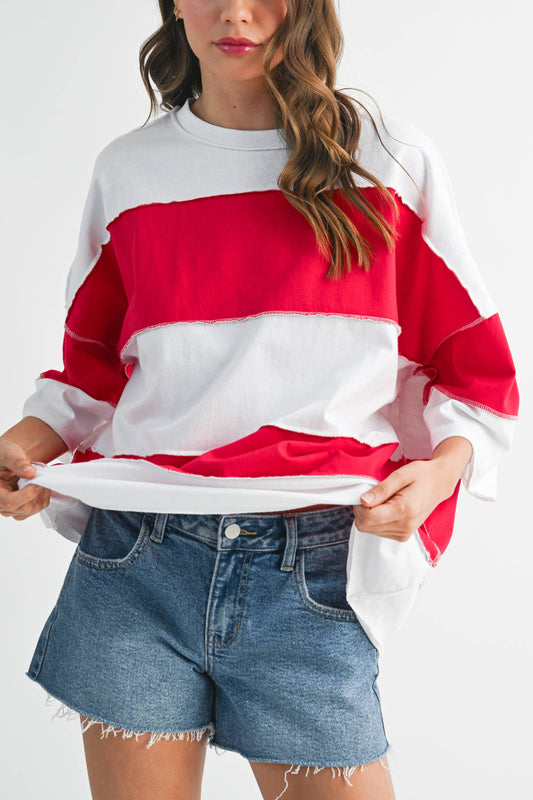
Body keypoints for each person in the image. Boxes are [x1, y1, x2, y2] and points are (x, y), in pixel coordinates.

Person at [0, 1, 519, 799]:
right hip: (137, 560)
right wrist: (27, 444)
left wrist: (442, 470)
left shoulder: (388, 161)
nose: (237, 13)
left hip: (310, 568)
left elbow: (475, 373)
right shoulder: (128, 170)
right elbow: (93, 370)